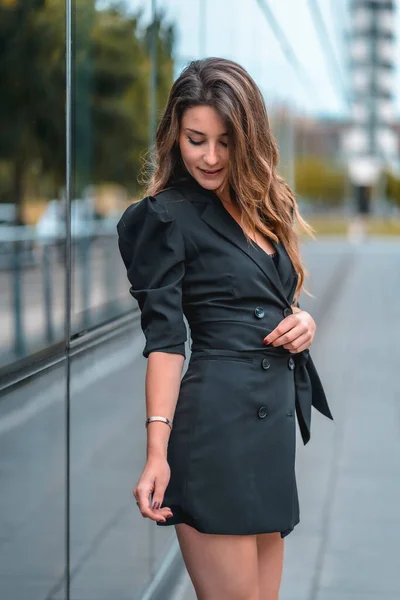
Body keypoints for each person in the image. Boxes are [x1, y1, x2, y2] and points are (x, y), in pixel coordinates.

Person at [117, 57, 333, 600]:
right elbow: (166, 343)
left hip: (269, 433)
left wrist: (302, 321)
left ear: (249, 139)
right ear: (174, 135)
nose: (210, 157)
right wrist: (156, 452)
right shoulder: (165, 217)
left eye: (225, 142)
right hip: (216, 433)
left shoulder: (262, 205)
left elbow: (272, 299)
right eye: (195, 139)